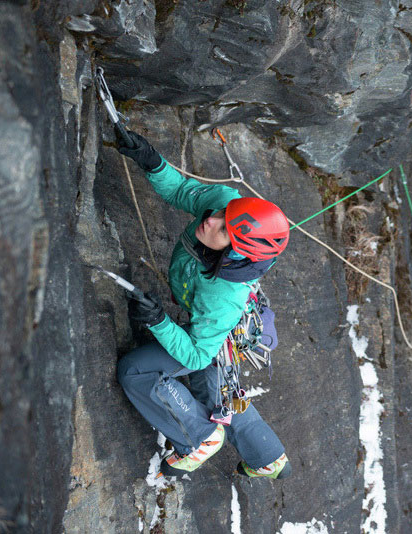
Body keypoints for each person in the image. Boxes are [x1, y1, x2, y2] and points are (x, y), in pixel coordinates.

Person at [115, 131, 291, 480]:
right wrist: (152, 161)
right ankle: (267, 456)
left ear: (235, 253)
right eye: (222, 214)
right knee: (215, 390)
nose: (211, 220)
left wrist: (159, 321)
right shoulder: (227, 206)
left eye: (223, 230)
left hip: (215, 330)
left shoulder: (223, 294)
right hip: (216, 328)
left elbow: (196, 354)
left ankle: (199, 438)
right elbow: (182, 191)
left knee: (137, 371)